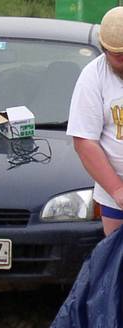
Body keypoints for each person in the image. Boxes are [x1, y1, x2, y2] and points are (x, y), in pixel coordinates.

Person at [67, 6, 123, 236]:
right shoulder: (93, 77)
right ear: (105, 50)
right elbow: (84, 141)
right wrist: (117, 190)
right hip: (116, 201)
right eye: (120, 57)